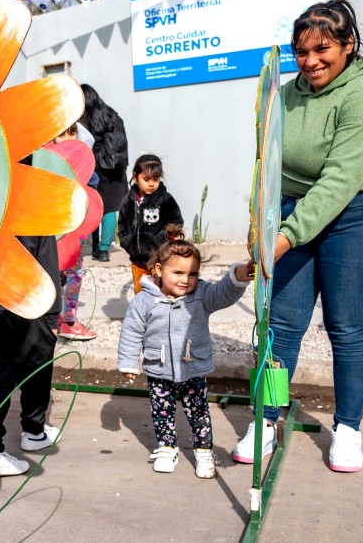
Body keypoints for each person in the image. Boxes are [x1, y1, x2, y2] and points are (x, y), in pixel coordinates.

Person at [231, 0, 363, 473]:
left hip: (357, 213)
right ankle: (267, 419)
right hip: (292, 209)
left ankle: (348, 428)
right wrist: (257, 225)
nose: (311, 62)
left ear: (348, 46)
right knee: (282, 325)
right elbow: (266, 165)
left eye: (322, 49)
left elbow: (338, 184)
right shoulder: (285, 94)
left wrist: (283, 239)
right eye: (301, 52)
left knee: (345, 326)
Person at [117, 226, 252, 477]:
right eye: (177, 272)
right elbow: (132, 332)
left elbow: (222, 294)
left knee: (199, 411)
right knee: (162, 411)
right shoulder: (144, 301)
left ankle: (203, 451)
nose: (185, 280)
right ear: (158, 270)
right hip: (159, 369)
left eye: (192, 274)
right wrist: (128, 362)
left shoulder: (200, 294)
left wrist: (238, 277)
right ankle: (167, 447)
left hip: (193, 368)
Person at [0, 232, 63, 476]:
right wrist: (53, 315)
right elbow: (47, 263)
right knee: (37, 369)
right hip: (31, 299)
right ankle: (34, 431)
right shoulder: (35, 211)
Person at [52, 121, 97, 341]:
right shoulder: (46, 162)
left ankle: (68, 318)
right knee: (53, 273)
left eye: (72, 133)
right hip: (51, 230)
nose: (68, 139)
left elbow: (92, 189)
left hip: (74, 229)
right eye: (62, 134)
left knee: (74, 272)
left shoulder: (81, 163)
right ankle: (57, 317)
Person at [118, 154, 183, 293]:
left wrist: (158, 241)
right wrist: (126, 241)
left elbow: (176, 222)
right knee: (141, 294)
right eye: (146, 179)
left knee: (161, 292)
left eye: (156, 179)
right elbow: (122, 224)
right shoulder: (128, 201)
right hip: (138, 260)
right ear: (135, 177)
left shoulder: (165, 200)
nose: (151, 184)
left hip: (160, 259)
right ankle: (143, 315)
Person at [78, 84, 128, 262]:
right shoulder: (111, 114)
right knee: (110, 209)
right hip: (115, 169)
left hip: (95, 167)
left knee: (93, 205)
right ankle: (104, 250)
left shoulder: (84, 119)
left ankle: (94, 246)